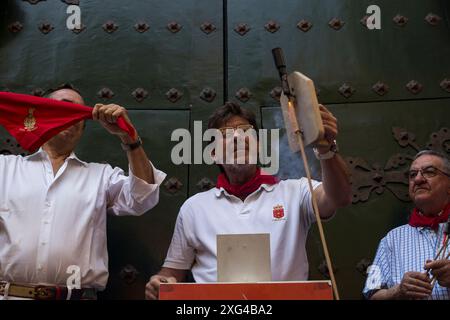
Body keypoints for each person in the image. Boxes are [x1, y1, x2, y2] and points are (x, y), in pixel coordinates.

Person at [145, 101, 352, 300]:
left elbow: (338, 197)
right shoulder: (194, 208)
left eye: (245, 131)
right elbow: (172, 275)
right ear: (214, 154)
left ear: (259, 146)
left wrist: (326, 148)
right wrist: (160, 282)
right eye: (225, 134)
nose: (237, 137)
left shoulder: (295, 192)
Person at [0, 84, 166, 300]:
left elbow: (142, 198)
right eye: (61, 108)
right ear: (41, 116)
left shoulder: (101, 176)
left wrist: (129, 137)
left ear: (83, 126)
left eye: (77, 112)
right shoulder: (5, 168)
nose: (70, 115)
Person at [363, 150, 450, 300]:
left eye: (429, 172)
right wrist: (397, 291)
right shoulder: (391, 240)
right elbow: (371, 294)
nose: (418, 179)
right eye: (412, 174)